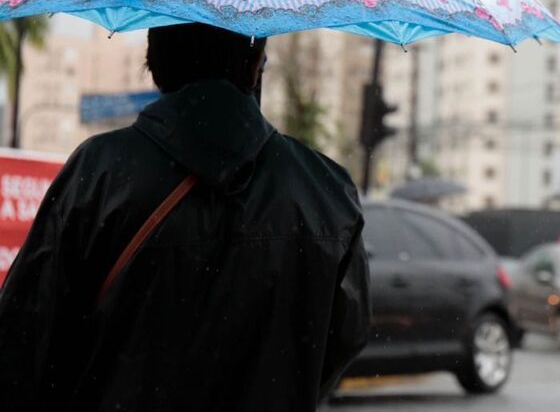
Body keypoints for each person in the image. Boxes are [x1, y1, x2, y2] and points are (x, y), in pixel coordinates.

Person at [0, 23, 370, 411]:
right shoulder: (326, 190)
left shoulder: (99, 173)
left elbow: (24, 336)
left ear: (154, 62)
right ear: (256, 64)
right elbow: (343, 337)